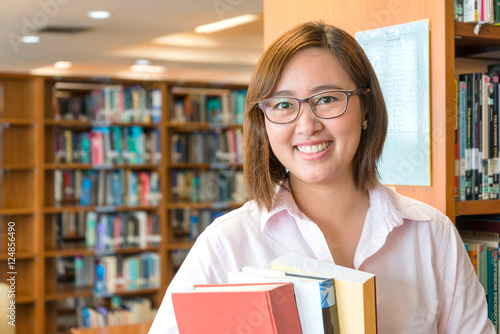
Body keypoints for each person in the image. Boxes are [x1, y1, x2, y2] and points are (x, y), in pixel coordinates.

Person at [149, 21, 494, 333]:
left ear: (366, 109)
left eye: (327, 99)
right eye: (283, 105)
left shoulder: (431, 234)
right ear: (263, 122)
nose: (307, 125)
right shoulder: (227, 245)